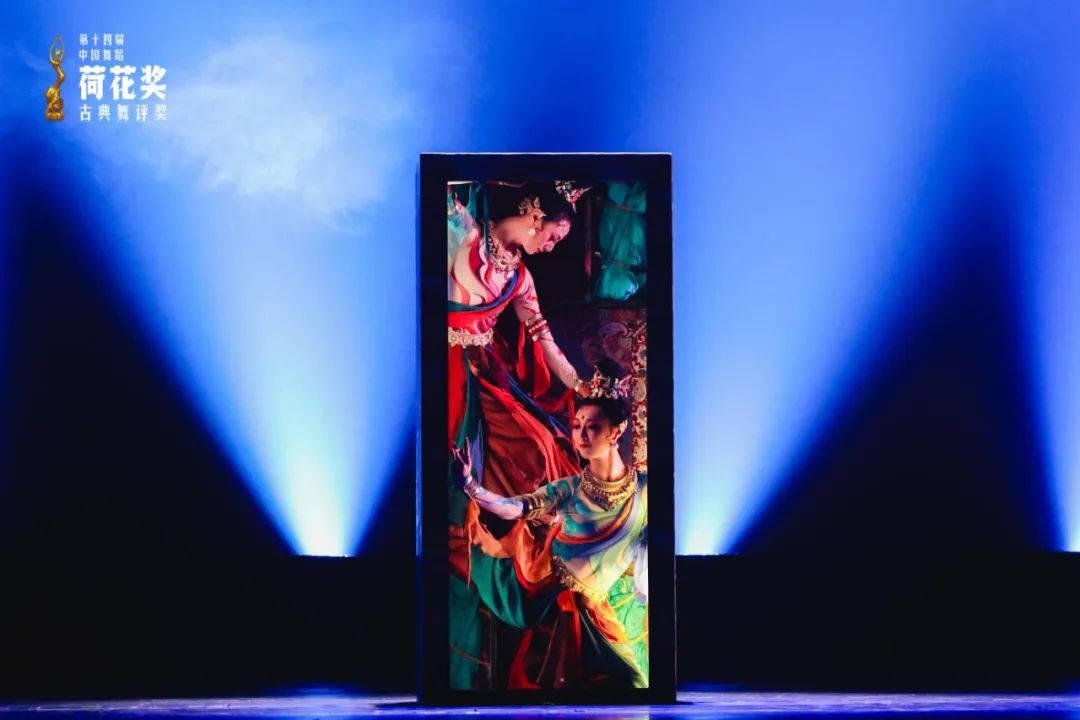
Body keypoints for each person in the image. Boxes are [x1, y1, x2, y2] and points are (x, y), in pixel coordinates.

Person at [447, 181, 593, 688]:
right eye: (553, 235)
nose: (551, 246)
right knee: (519, 446)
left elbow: (543, 337)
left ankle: (544, 547)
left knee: (545, 444)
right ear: (534, 216)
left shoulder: (519, 275)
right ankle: (493, 537)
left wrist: (578, 382)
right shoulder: (462, 234)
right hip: (448, 369)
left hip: (484, 367)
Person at [452, 358, 649, 689]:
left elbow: (647, 547)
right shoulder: (569, 489)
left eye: (592, 426)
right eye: (577, 425)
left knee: (633, 683)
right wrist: (472, 485)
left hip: (601, 610)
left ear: (616, 431)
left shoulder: (644, 490)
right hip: (549, 604)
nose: (581, 435)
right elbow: (515, 507)